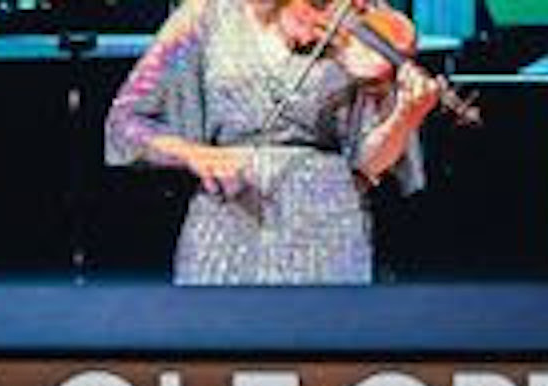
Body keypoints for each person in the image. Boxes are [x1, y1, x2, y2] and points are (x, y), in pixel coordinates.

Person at [105, 0, 437, 284]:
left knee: (324, 352)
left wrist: (405, 116)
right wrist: (193, 154)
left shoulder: (364, 21)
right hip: (226, 222)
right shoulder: (207, 14)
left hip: (326, 224)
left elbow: (370, 164)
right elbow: (126, 122)